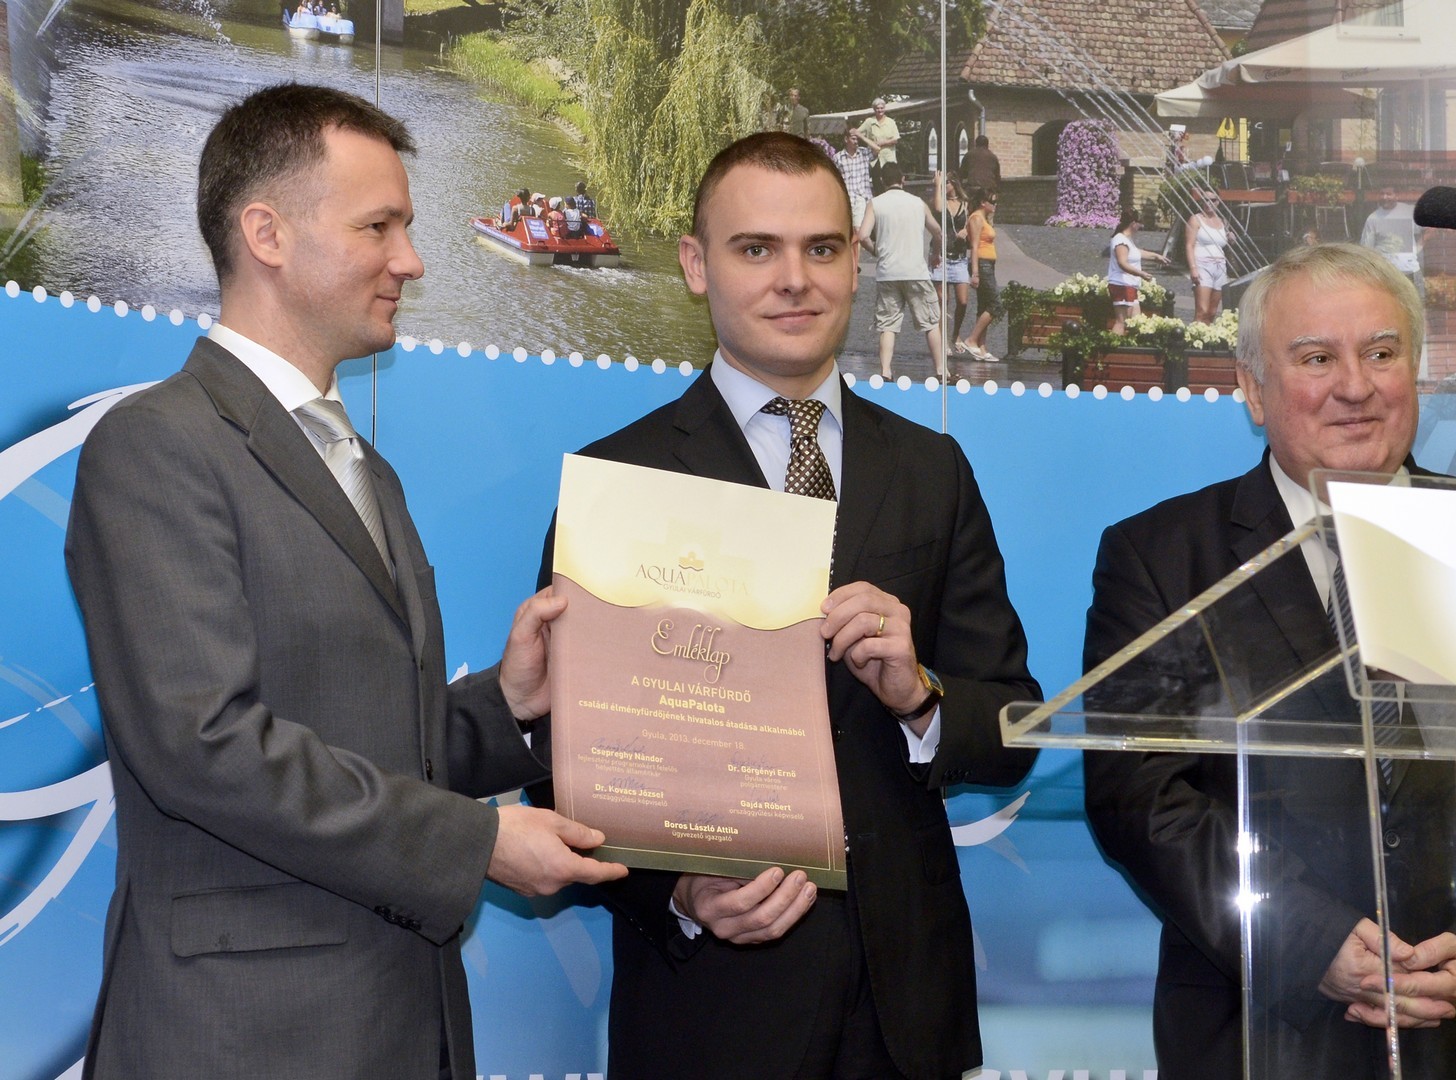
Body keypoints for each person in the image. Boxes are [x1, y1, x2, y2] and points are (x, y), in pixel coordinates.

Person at [62, 83, 628, 1080]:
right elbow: (206, 746)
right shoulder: (155, 447)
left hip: (402, 1028)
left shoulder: (366, 471)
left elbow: (377, 743)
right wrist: (476, 844)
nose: (411, 260)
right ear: (267, 234)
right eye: (379, 226)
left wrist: (507, 703)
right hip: (242, 1041)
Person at [533, 130, 1040, 1080]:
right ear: (696, 266)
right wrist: (678, 893)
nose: (795, 279)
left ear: (854, 262)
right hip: (711, 1014)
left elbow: (1014, 726)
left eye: (822, 248)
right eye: (756, 248)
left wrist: (922, 697)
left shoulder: (931, 470)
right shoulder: (619, 481)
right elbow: (562, 774)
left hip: (904, 1013)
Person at [1082, 242, 1456, 1080]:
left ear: (1417, 372)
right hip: (1264, 1026)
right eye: (1316, 359)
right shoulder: (1161, 557)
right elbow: (1139, 795)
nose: (1356, 387)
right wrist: (1308, 940)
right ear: (1253, 387)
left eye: (1381, 353)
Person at [858, 160, 946, 381]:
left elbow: (862, 236)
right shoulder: (917, 203)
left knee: (887, 324)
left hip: (888, 272)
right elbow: (938, 231)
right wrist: (935, 254)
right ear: (903, 180)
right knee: (931, 322)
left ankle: (885, 372)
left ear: (882, 181)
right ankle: (941, 370)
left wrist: (877, 251)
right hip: (915, 271)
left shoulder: (875, 203)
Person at [1106, 208, 1168, 334]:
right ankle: (1112, 344)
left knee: (1136, 321)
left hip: (1130, 285)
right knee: (1121, 322)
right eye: (1140, 223)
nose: (1141, 226)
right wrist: (1141, 274)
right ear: (1133, 223)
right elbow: (1122, 263)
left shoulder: (1127, 239)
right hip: (1122, 285)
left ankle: (1130, 344)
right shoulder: (1120, 240)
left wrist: (1155, 256)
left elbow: (1136, 253)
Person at [931, 171, 972, 355]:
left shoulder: (965, 204)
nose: (944, 186)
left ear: (954, 183)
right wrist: (937, 185)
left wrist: (966, 232)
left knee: (963, 301)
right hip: (942, 256)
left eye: (946, 182)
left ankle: (956, 334)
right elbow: (938, 210)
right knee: (943, 300)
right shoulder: (941, 202)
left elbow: (971, 224)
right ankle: (943, 340)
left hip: (959, 258)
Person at [961, 188, 1001, 362]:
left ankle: (981, 348)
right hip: (982, 264)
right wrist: (975, 273)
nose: (995, 205)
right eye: (993, 202)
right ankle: (971, 339)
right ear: (983, 203)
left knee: (984, 305)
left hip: (988, 264)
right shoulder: (976, 218)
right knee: (995, 304)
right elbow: (975, 246)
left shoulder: (984, 218)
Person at [1360, 185, 1422, 295]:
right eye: (1382, 194)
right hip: (1386, 274)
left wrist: (1419, 247)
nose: (1385, 197)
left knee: (1417, 303)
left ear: (1396, 195)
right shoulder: (1373, 219)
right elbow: (1366, 250)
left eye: (1389, 194)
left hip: (1410, 270)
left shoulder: (1409, 212)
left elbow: (1429, 227)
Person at [1185, 188, 1228, 324]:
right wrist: (1193, 268)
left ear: (1218, 202)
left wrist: (1231, 238)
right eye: (1205, 200)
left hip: (1220, 267)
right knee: (1202, 310)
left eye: (1212, 200)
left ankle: (1207, 335)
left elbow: (1223, 242)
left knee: (1212, 312)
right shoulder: (1195, 219)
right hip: (1202, 265)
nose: (1208, 203)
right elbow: (1189, 245)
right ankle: (1194, 335)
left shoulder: (1222, 221)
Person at [834, 124, 875, 229]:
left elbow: (877, 149)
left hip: (862, 197)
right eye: (853, 139)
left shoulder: (864, 153)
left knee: (858, 229)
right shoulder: (838, 157)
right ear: (846, 139)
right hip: (847, 198)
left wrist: (860, 135)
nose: (856, 141)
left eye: (857, 139)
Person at [857, 96, 900, 167]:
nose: (880, 110)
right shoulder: (869, 121)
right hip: (874, 159)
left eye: (882, 108)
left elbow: (896, 140)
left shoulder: (891, 122)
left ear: (884, 108)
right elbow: (857, 133)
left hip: (888, 159)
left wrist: (883, 143)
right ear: (874, 109)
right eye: (877, 108)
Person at [960, 133, 1001, 198]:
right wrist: (997, 191)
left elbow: (962, 173)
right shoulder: (993, 157)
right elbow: (997, 176)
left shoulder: (969, 155)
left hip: (973, 188)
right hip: (988, 189)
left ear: (976, 144)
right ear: (987, 145)